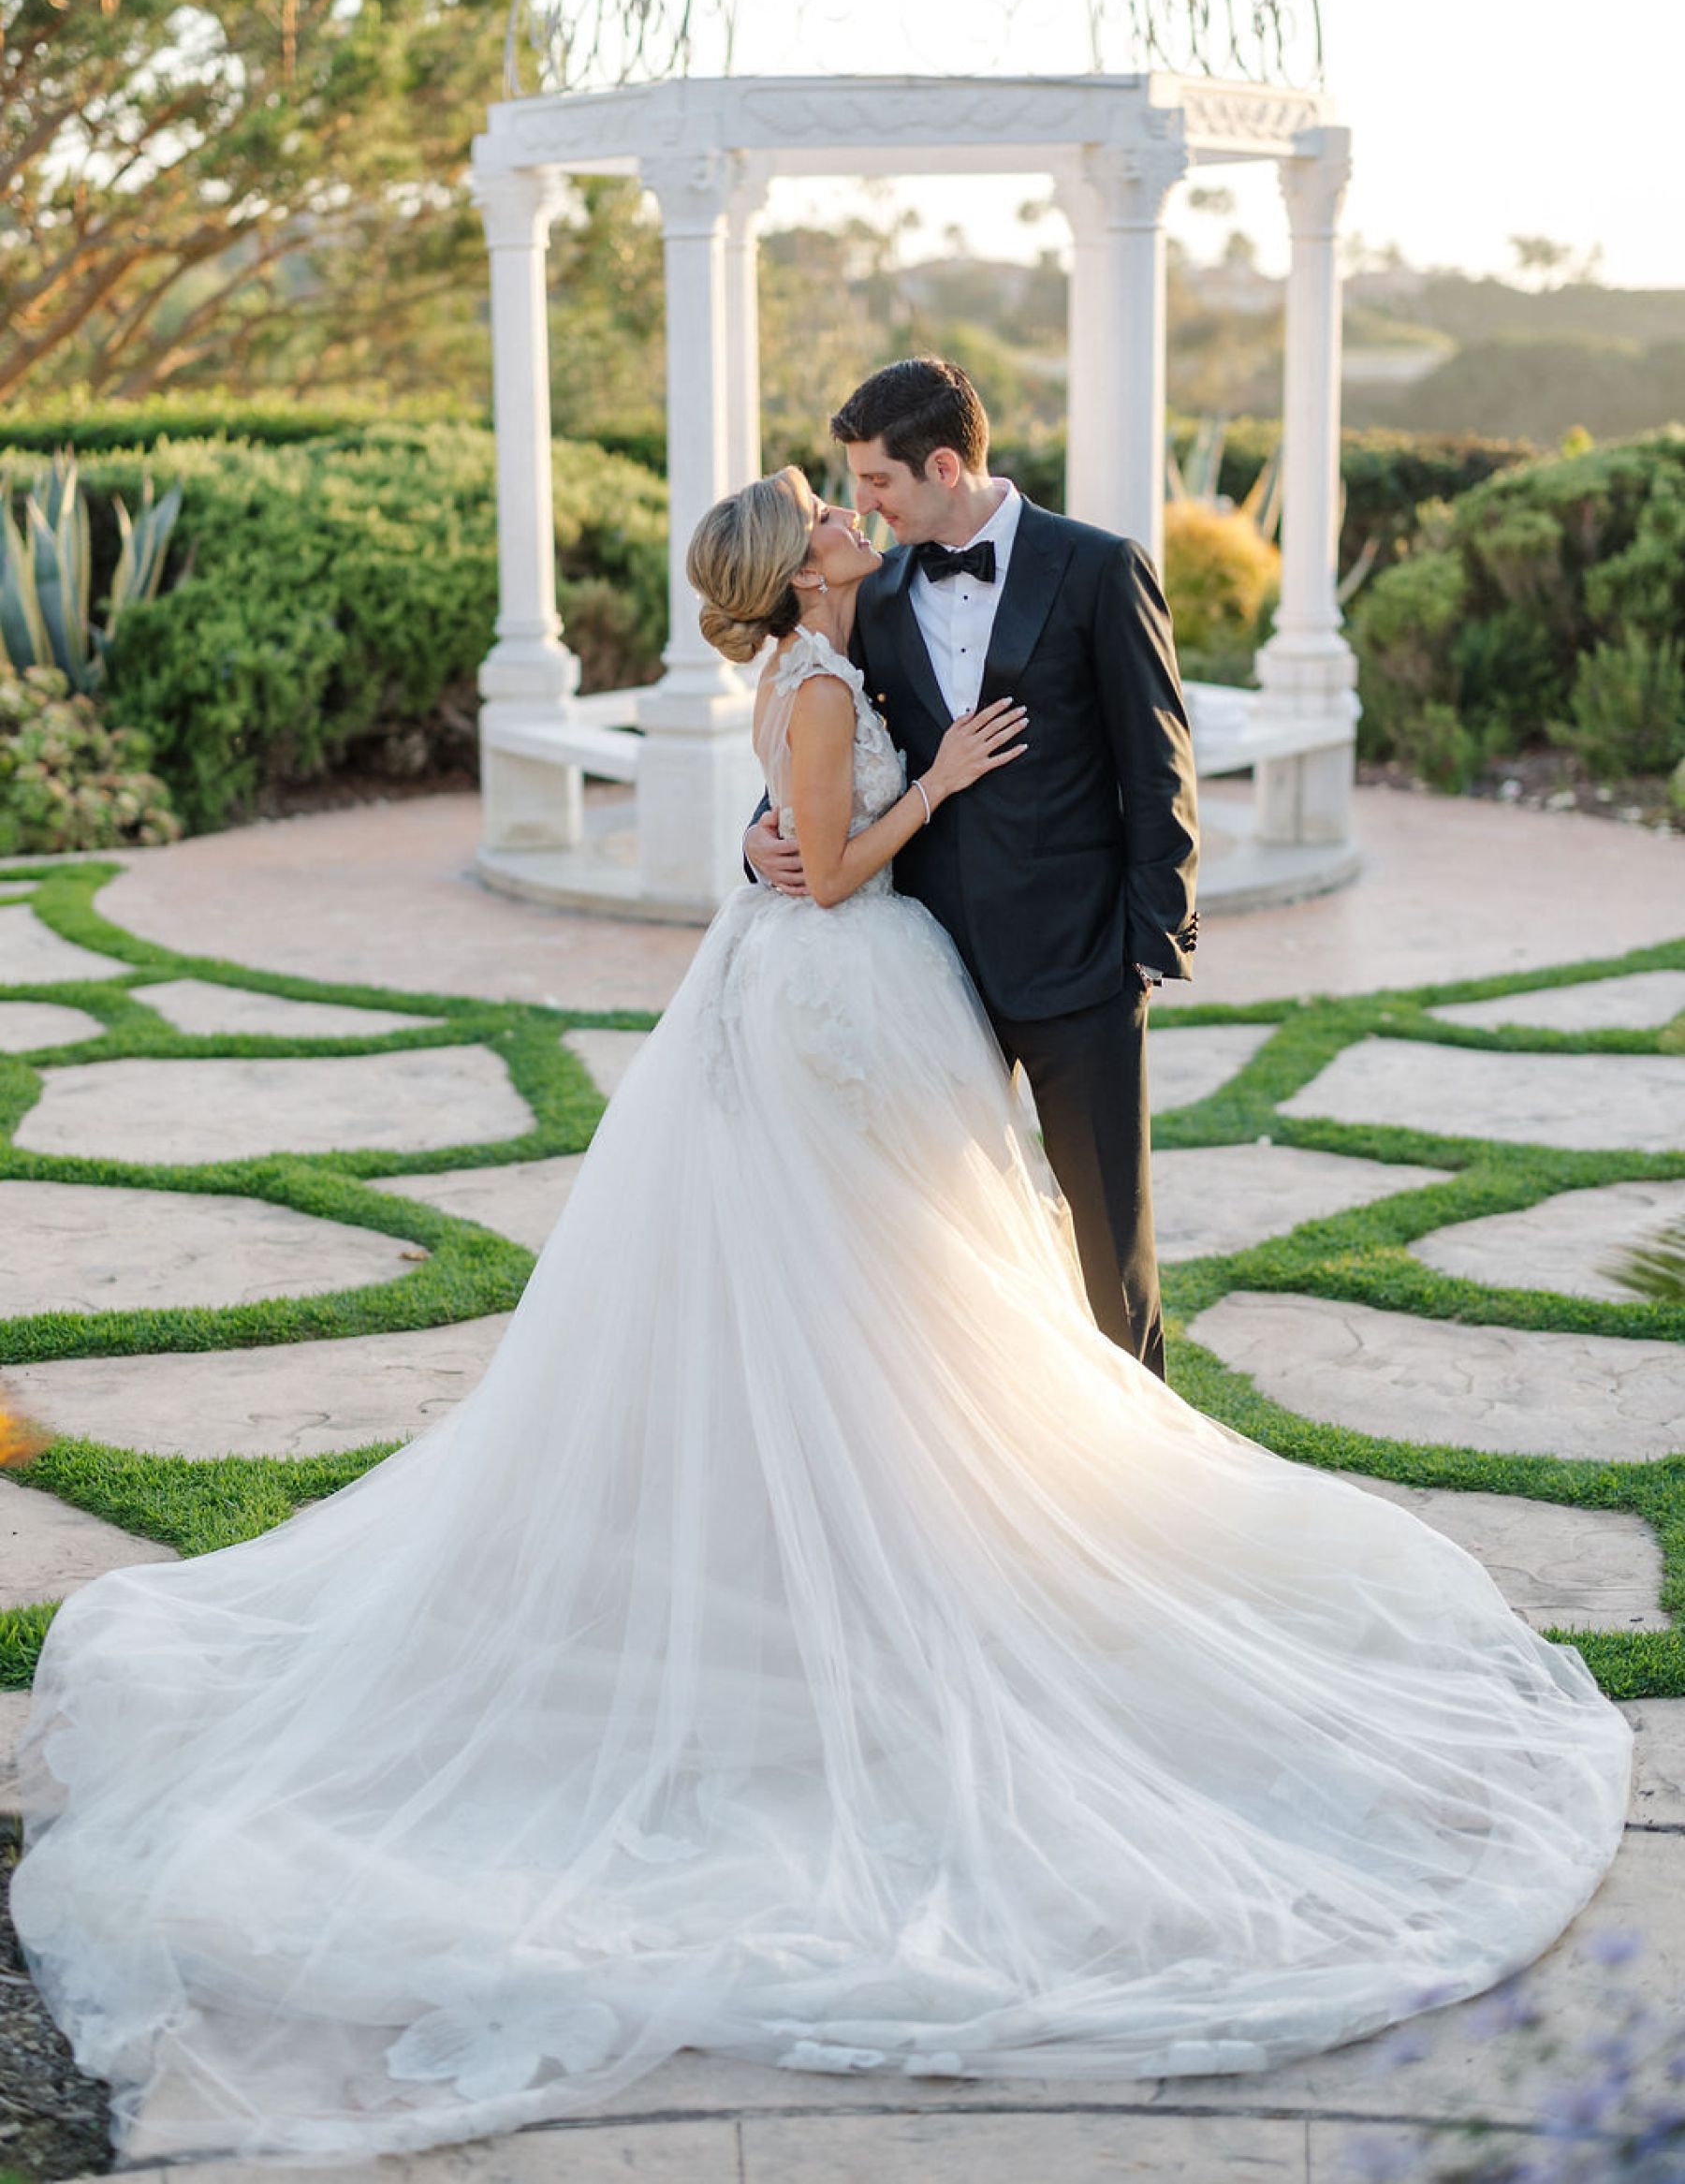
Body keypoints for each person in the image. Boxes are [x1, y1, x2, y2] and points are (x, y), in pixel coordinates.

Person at [14, 465, 1631, 2168]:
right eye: (825, 506)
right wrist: (926, 782)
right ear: (803, 567)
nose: (848, 511)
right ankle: (844, 1575)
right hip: (829, 1001)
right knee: (846, 1297)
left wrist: (854, 803)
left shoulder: (856, 650)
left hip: (862, 1001)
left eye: (851, 492)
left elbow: (809, 832)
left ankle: (909, 1526)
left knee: (897, 1307)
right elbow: (835, 868)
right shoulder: (822, 680)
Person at [746, 356, 1196, 1378]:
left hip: (1080, 971)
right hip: (927, 981)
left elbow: (1158, 765)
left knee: (1107, 1253)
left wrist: (1149, 946)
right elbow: (826, 736)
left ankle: (1146, 1474)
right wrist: (751, 838)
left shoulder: (1097, 568)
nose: (860, 505)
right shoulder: (877, 588)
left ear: (943, 466)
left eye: (877, 482)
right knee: (940, 1247)